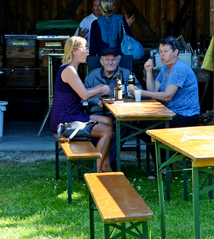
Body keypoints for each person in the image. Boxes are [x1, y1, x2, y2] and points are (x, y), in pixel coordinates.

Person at [50, 36, 115, 172]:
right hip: (65, 120)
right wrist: (101, 89)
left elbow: (82, 91)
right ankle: (96, 169)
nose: (87, 51)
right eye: (84, 48)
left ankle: (105, 164)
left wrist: (98, 87)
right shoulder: (69, 70)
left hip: (73, 114)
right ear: (74, 51)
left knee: (109, 121)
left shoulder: (71, 69)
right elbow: (84, 95)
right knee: (107, 131)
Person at [139, 37, 201, 178]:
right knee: (143, 128)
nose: (162, 55)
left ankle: (164, 168)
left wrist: (141, 93)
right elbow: (154, 91)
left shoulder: (179, 69)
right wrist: (148, 72)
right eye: (160, 51)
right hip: (171, 113)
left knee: (148, 129)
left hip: (186, 116)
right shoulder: (165, 68)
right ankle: (164, 166)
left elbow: (167, 96)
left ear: (176, 52)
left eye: (166, 51)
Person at [84, 47, 142, 114]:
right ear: (101, 62)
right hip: (99, 111)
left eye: (113, 60)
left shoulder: (127, 74)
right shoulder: (92, 75)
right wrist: (97, 101)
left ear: (118, 61)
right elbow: (83, 95)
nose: (110, 63)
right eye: (107, 60)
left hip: (123, 111)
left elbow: (139, 91)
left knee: (127, 122)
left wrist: (126, 97)